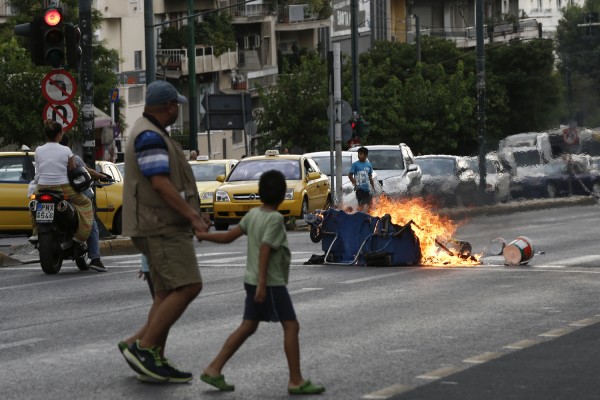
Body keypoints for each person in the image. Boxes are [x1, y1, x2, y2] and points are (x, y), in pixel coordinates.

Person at [196, 170, 325, 395]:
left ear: (260, 193)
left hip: (252, 280)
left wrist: (203, 235)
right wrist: (263, 284)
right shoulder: (275, 219)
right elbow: (265, 248)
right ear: (283, 195)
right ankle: (296, 380)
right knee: (291, 326)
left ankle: (213, 368)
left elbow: (228, 237)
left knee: (248, 326)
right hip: (270, 283)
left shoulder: (253, 215)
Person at [118, 80, 210, 383]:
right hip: (160, 225)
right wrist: (193, 218)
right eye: (177, 106)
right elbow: (159, 183)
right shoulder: (150, 136)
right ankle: (146, 349)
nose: (178, 110)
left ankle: (141, 347)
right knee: (188, 286)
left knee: (166, 292)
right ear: (169, 106)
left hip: (157, 223)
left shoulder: (151, 132)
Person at [32, 120, 93, 250]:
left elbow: (38, 171)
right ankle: (80, 238)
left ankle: (36, 232)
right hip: (63, 188)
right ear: (59, 135)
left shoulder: (38, 150)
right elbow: (72, 172)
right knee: (86, 203)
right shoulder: (66, 150)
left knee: (34, 204)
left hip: (42, 187)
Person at [59, 135, 109, 272]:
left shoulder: (42, 153)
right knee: (91, 221)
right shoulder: (71, 157)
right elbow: (86, 171)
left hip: (49, 190)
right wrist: (102, 176)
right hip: (70, 193)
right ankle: (95, 258)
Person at [348, 146, 374, 212]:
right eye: (358, 154)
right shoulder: (355, 165)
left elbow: (370, 177)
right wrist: (354, 183)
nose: (359, 156)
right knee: (361, 205)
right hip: (359, 189)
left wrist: (373, 187)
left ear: (366, 155)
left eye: (360, 154)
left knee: (369, 205)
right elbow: (350, 175)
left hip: (367, 189)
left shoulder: (369, 165)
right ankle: (359, 216)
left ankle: (368, 217)